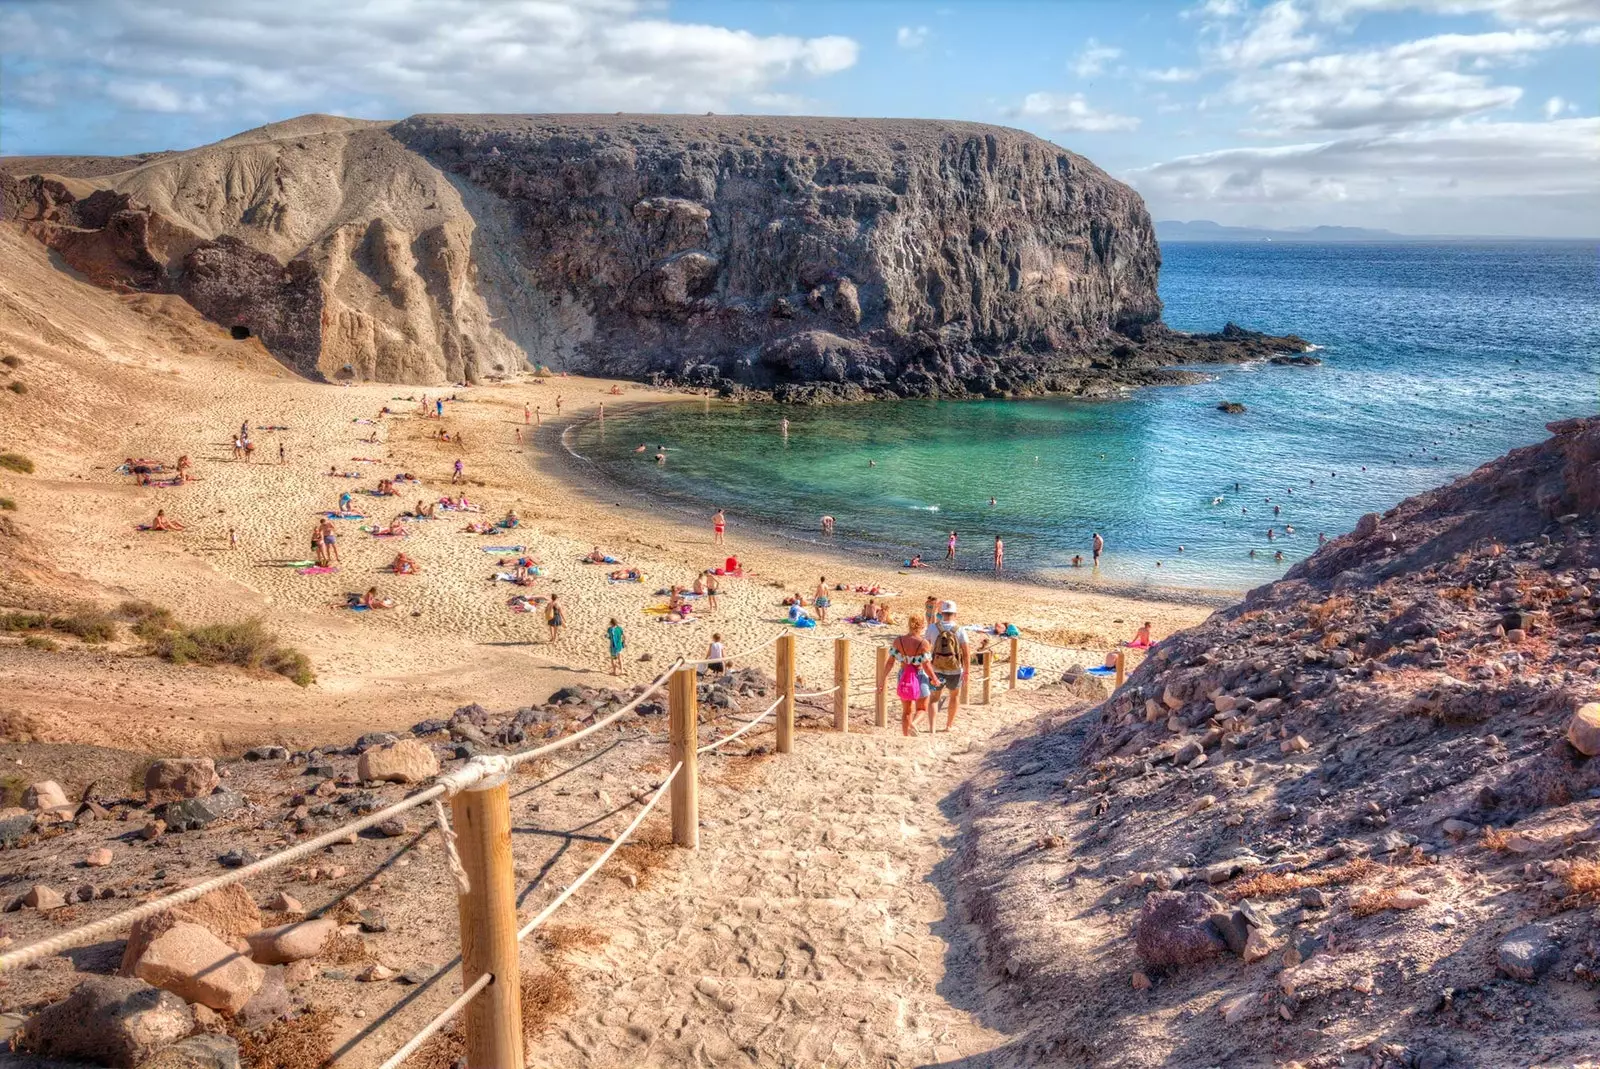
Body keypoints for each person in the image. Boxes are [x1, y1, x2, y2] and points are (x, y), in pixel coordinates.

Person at [881, 614, 933, 737]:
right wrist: (934, 678)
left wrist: (882, 679)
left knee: (907, 711)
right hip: (919, 676)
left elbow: (890, 662)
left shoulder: (898, 641)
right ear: (922, 626)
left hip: (904, 675)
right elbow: (926, 665)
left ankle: (906, 737)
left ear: (909, 624)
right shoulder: (924, 643)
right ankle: (914, 724)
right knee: (922, 709)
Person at [924, 600, 968, 731]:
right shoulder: (960, 630)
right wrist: (967, 672)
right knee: (954, 696)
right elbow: (966, 653)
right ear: (955, 614)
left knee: (934, 698)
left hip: (936, 669)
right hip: (955, 669)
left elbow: (926, 648)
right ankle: (949, 726)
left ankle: (932, 728)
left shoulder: (932, 628)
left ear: (941, 613)